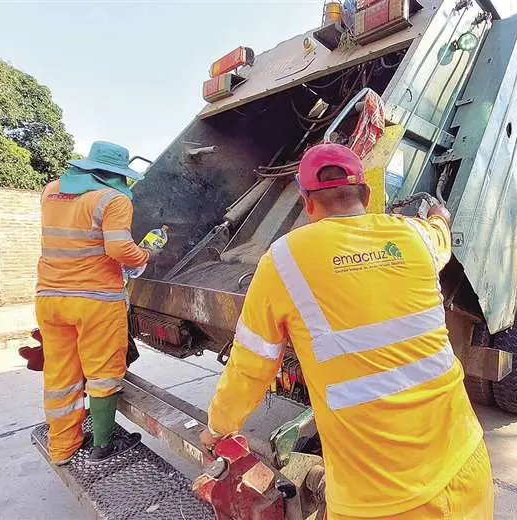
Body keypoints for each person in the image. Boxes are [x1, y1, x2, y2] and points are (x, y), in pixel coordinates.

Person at [202, 143, 493, 519]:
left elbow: (249, 367)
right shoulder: (415, 237)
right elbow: (440, 239)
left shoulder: (283, 260)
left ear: (306, 202)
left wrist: (218, 428)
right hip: (466, 471)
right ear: (367, 194)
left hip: (378, 502)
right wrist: (439, 216)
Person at [37, 141, 152, 465]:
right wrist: (143, 257)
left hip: (49, 298)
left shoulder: (50, 191)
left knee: (61, 374)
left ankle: (62, 446)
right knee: (102, 373)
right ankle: (103, 444)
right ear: (116, 174)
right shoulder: (112, 199)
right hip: (95, 302)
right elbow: (119, 249)